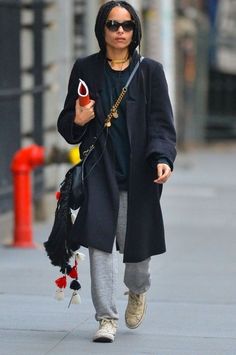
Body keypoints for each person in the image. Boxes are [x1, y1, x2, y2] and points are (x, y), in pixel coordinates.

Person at [57, 0, 176, 343]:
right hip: (99, 171)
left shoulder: (150, 71)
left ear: (135, 29)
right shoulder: (86, 69)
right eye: (113, 24)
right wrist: (77, 121)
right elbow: (68, 124)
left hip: (139, 175)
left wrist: (163, 157)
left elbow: (162, 125)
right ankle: (106, 317)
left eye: (126, 25)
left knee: (136, 254)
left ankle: (137, 290)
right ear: (102, 29)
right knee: (99, 246)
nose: (120, 31)